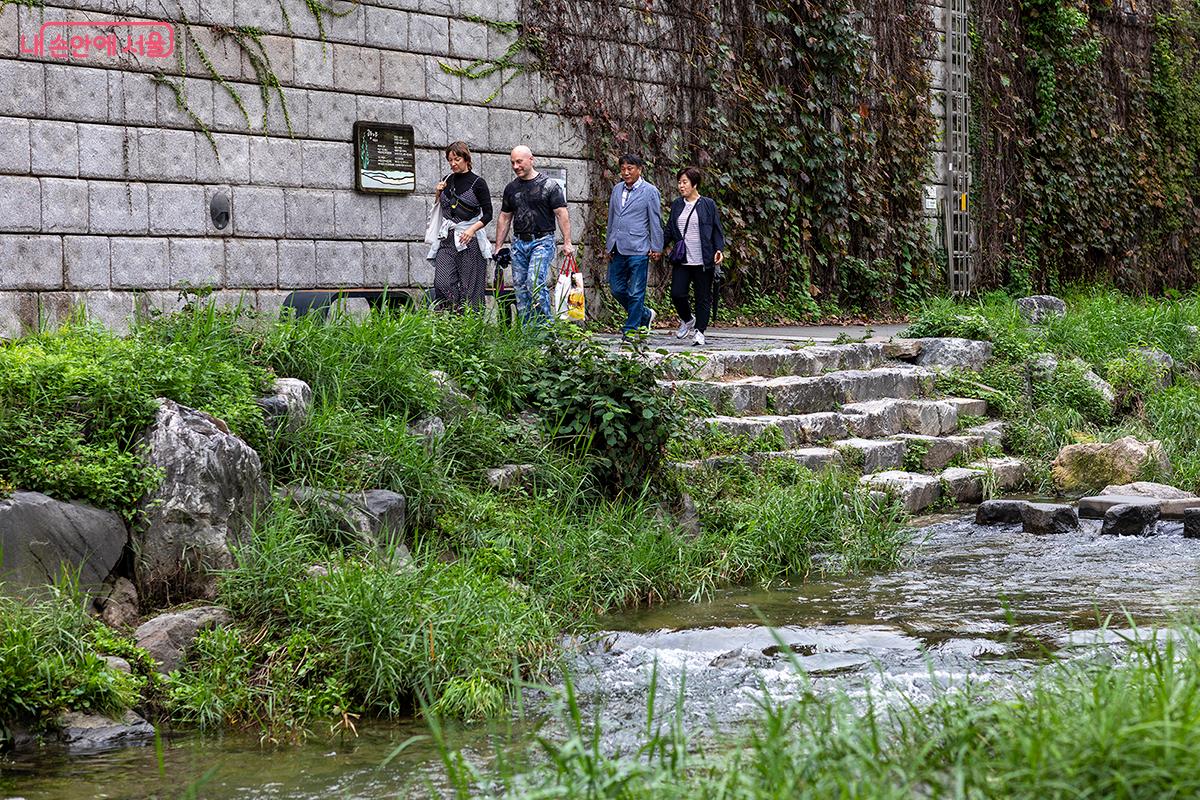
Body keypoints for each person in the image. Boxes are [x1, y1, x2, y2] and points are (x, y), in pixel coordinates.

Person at [493, 145, 574, 320]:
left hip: (542, 241)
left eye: (519, 161)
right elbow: (505, 217)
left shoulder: (550, 186)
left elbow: (561, 213)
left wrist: (567, 242)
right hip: (519, 243)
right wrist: (498, 247)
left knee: (534, 282)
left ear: (531, 159)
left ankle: (546, 331)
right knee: (521, 288)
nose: (516, 166)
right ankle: (528, 335)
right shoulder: (511, 188)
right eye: (513, 163)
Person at [662, 166, 725, 346]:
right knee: (677, 293)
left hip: (703, 259)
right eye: (679, 182)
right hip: (683, 258)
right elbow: (669, 229)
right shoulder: (677, 204)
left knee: (702, 296)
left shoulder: (708, 204)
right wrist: (658, 247)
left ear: (694, 184)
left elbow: (716, 230)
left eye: (685, 182)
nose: (681, 186)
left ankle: (700, 332)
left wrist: (719, 250)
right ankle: (688, 318)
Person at [428, 141, 493, 310]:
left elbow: (488, 214)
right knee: (442, 283)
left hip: (469, 241)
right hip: (448, 239)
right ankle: (454, 313)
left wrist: (472, 230)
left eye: (456, 159)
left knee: (470, 289)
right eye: (450, 160)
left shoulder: (478, 183)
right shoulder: (446, 180)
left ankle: (469, 325)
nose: (453, 164)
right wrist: (438, 193)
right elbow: (440, 208)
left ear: (466, 159)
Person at [605, 153, 663, 338]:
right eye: (622, 169)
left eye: (630, 169)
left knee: (636, 290)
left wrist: (657, 247)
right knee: (616, 288)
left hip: (639, 247)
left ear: (640, 170)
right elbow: (612, 218)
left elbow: (655, 221)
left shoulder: (650, 191)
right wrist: (608, 245)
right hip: (618, 247)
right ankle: (645, 314)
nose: (626, 172)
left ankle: (631, 329)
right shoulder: (617, 189)